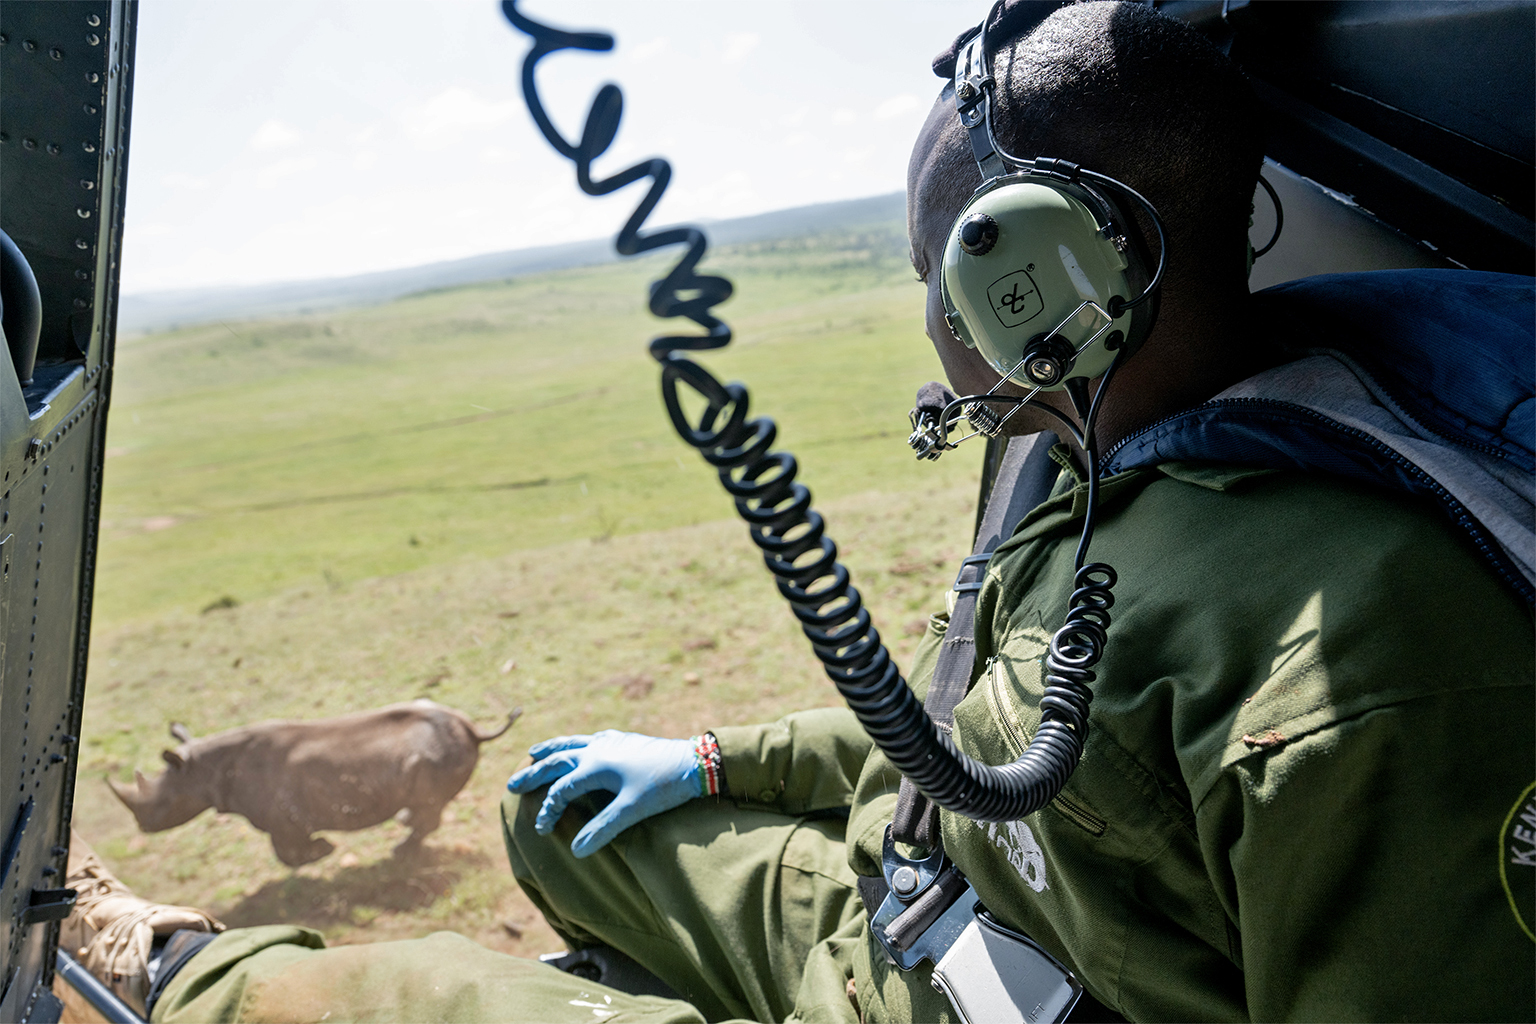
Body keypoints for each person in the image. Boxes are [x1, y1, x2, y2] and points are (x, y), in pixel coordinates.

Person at [65, 3, 1534, 1022]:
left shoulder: (1380, 665)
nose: (935, 324)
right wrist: (708, 756)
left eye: (937, 278)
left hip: (968, 991)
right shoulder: (1115, 469)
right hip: (903, 905)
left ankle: (161, 970)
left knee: (425, 997)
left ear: (1032, 275)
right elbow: (983, 735)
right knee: (558, 813)